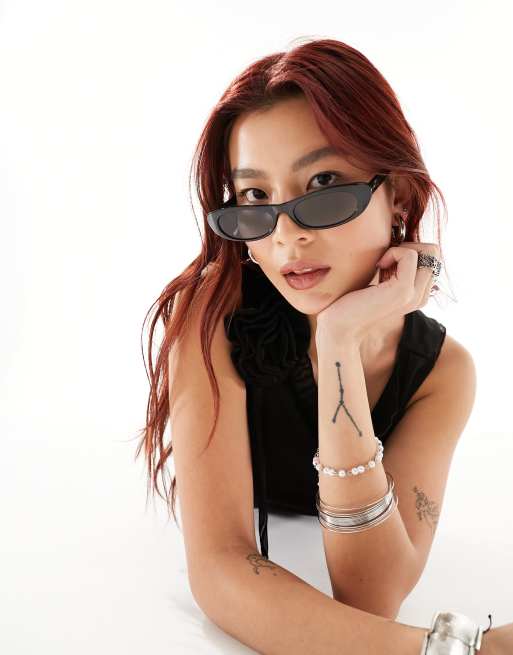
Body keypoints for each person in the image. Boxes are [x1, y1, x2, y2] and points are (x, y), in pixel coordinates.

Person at [135, 38, 510, 654]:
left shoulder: (443, 373)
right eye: (256, 198)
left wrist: (340, 340)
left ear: (400, 196)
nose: (286, 236)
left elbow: (370, 591)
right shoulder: (212, 319)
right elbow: (220, 567)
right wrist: (459, 650)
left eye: (324, 183)